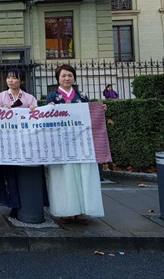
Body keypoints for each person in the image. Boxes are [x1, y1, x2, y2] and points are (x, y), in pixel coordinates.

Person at [45, 64, 105, 224]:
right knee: (64, 176)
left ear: (74, 77)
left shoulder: (82, 96)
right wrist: (47, 109)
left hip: (81, 143)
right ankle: (65, 210)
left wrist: (99, 110)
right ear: (58, 78)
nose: (67, 78)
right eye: (63, 75)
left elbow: (90, 116)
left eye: (70, 75)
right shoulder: (52, 97)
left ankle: (82, 211)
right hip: (61, 144)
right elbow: (44, 119)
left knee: (83, 174)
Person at [0, 69, 43, 220]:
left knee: (24, 173)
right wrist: (2, 111)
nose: (11, 81)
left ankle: (25, 203)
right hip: (7, 141)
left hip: (26, 142)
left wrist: (33, 111)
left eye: (14, 78)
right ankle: (12, 204)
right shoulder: (0, 97)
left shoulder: (29, 98)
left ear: (22, 81)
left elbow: (37, 119)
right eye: (9, 78)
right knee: (9, 174)